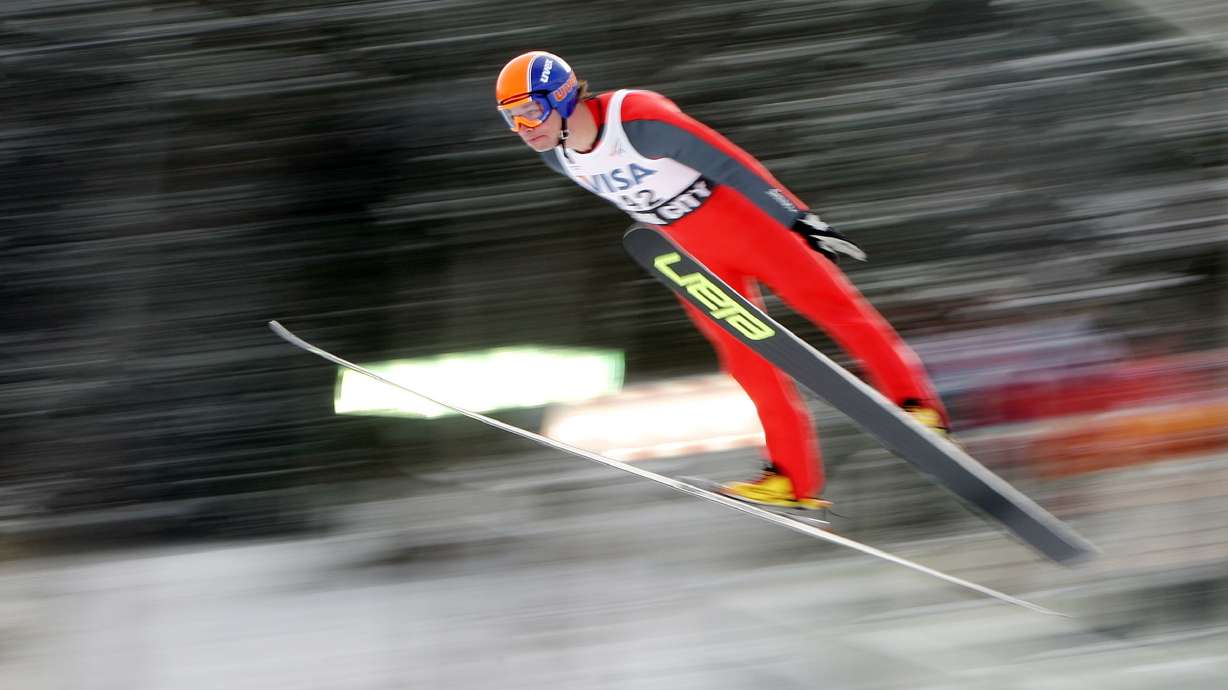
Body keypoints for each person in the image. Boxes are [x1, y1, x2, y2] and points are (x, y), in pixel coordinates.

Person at [495, 51, 950, 510]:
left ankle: (916, 404)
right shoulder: (559, 157)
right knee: (747, 359)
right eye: (510, 119)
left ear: (563, 96)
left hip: (747, 224)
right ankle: (792, 478)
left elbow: (731, 164)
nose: (524, 128)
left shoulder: (639, 120)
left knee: (831, 307)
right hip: (688, 250)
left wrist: (798, 218)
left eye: (530, 111)